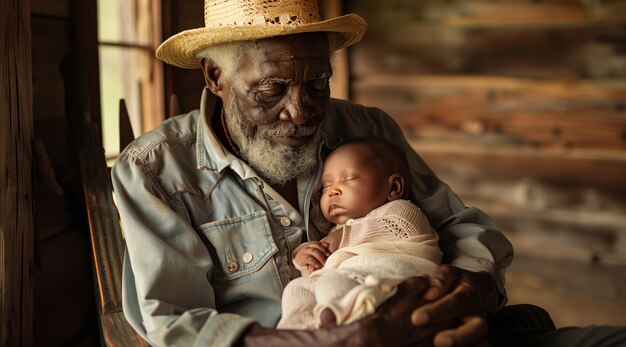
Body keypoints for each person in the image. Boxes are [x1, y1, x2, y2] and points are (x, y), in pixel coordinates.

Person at [111, 1, 626, 346]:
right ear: (216, 76)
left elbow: (463, 227)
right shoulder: (155, 170)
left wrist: (473, 287)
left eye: (317, 84)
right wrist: (337, 342)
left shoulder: (364, 128)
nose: (302, 111)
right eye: (271, 90)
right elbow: (176, 325)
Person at [277, 138, 443, 330]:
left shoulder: (400, 210)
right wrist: (305, 258)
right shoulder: (335, 231)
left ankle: (341, 316)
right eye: (326, 186)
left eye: (348, 179)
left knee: (333, 282)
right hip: (346, 279)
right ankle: (296, 331)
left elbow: (401, 226)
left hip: (397, 273)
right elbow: (320, 268)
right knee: (297, 288)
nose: (333, 191)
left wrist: (344, 236)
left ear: (394, 187)